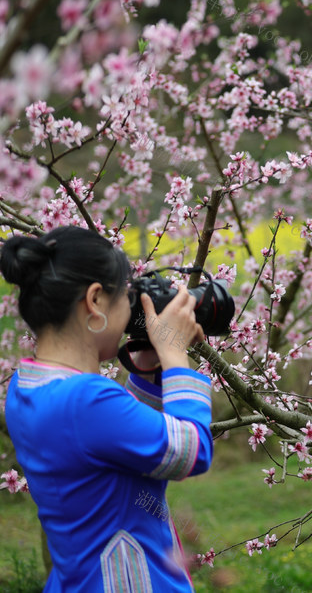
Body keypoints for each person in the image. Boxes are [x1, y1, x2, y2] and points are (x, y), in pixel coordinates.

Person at [1, 226, 212, 592]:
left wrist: (148, 363)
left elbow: (116, 441)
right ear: (95, 300)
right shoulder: (85, 400)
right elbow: (190, 452)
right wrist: (176, 355)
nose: (131, 310)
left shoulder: (26, 386)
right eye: (125, 299)